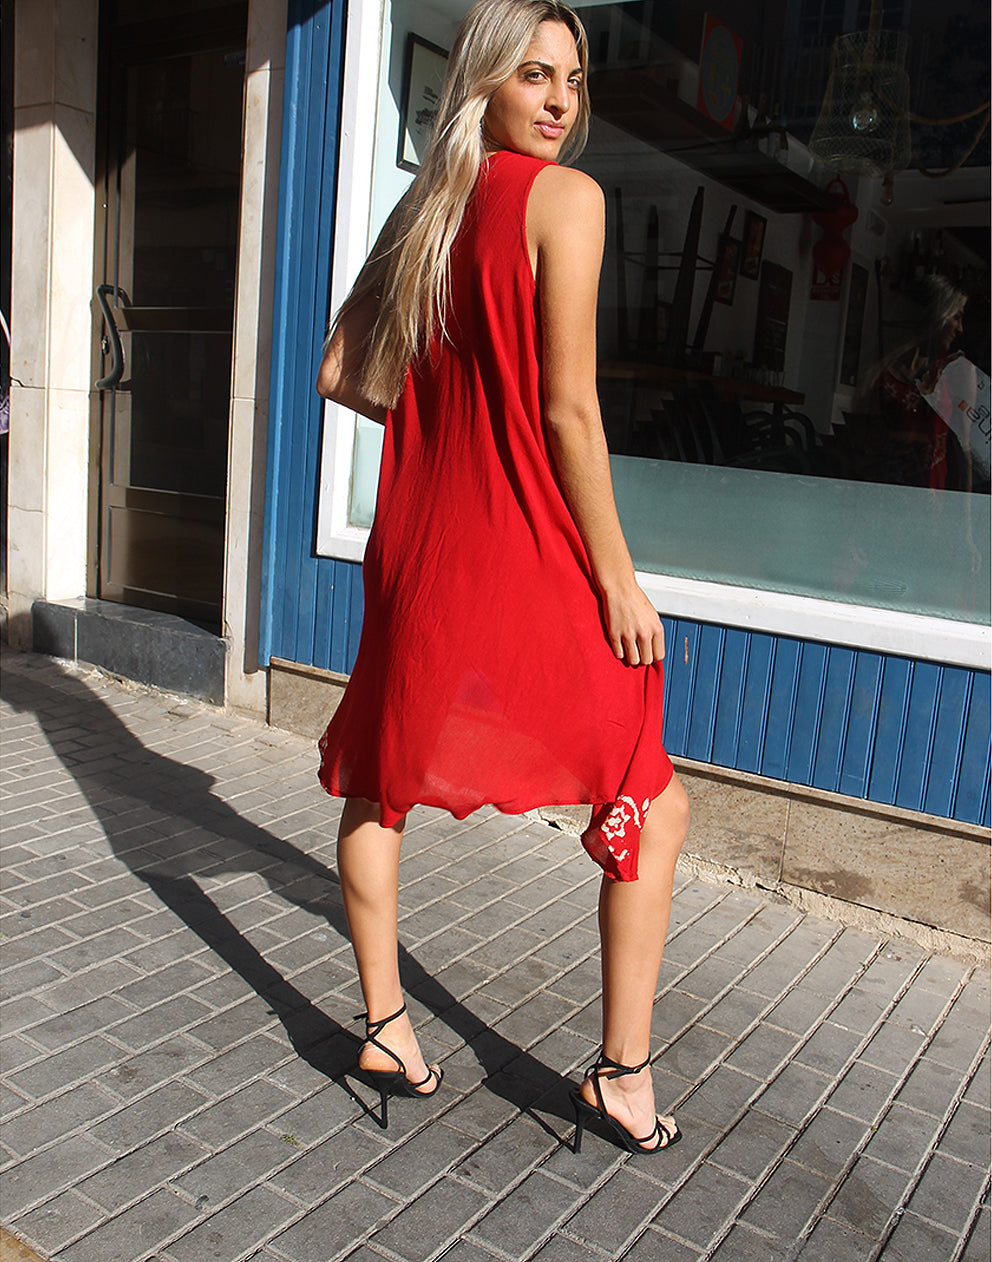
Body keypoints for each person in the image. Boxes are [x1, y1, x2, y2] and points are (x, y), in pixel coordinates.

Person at [315, 0, 689, 1153]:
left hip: (423, 559)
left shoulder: (425, 210)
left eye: (572, 78)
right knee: (651, 800)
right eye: (533, 75)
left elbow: (341, 369)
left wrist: (445, 421)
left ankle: (384, 1024)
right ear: (482, 81)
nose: (560, 99)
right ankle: (621, 1076)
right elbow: (569, 410)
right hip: (528, 558)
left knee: (380, 783)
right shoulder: (564, 201)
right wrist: (619, 578)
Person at [863, 274, 968, 489]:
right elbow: (868, 443)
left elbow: (965, 449)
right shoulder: (884, 376)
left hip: (936, 496)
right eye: (955, 317)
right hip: (893, 494)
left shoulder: (952, 372)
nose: (960, 328)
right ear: (937, 316)